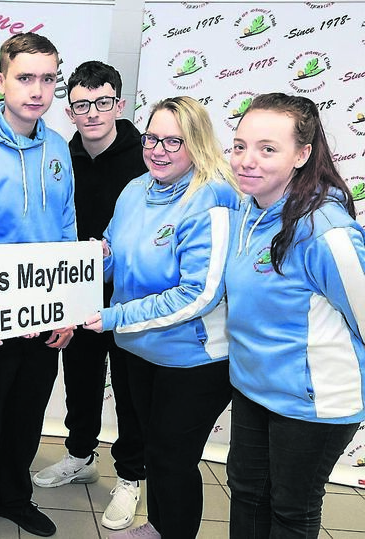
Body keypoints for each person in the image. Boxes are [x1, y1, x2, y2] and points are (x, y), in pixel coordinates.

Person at [84, 96, 240, 539]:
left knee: (173, 458)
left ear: (197, 143)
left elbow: (199, 295)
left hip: (193, 358)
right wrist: (97, 259)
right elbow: (116, 257)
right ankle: (159, 527)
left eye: (174, 141)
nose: (158, 150)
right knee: (155, 452)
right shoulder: (136, 189)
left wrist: (116, 316)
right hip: (139, 348)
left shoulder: (212, 197)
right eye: (152, 138)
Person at [225, 93, 365, 538]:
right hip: (253, 386)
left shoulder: (326, 231)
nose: (247, 160)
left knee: (291, 509)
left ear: (302, 155)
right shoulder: (248, 209)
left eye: (268, 149)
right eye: (240, 145)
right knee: (246, 492)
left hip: (312, 402)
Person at [0, 32, 76, 539]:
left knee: (27, 417)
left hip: (47, 314)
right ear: (1, 81)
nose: (37, 90)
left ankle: (13, 496)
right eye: (25, 77)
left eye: (48, 79)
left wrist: (69, 308)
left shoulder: (58, 147)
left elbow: (67, 229)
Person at [32, 60, 147, 532]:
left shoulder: (146, 156)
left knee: (130, 389)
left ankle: (131, 475)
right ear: (69, 111)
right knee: (80, 379)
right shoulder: (60, 156)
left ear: (119, 104)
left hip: (132, 296)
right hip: (78, 292)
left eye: (102, 102)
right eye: (82, 105)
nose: (93, 113)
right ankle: (80, 455)